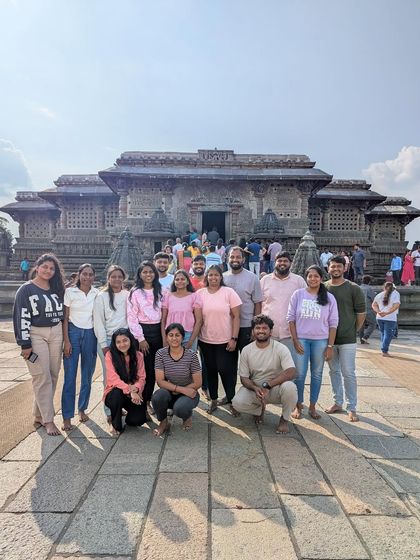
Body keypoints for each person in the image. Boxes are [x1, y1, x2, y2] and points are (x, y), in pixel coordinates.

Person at [13, 253, 65, 436]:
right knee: (41, 376)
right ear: (37, 266)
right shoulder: (26, 290)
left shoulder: (57, 288)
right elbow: (20, 316)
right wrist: (24, 343)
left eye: (52, 268)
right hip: (35, 333)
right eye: (45, 267)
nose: (48, 271)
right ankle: (48, 420)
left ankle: (38, 415)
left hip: (56, 331)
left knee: (52, 375)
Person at [287, 265, 338, 420]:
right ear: (306, 278)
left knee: (317, 374)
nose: (313, 279)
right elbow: (290, 318)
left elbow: (333, 323)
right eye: (310, 276)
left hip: (320, 341)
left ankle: (313, 406)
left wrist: (330, 346)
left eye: (316, 276)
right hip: (301, 339)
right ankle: (298, 405)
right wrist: (295, 340)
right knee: (300, 374)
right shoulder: (298, 294)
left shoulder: (329, 298)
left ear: (321, 278)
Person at [231, 315, 297, 434]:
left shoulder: (280, 348)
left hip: (276, 388)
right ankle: (258, 409)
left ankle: (284, 419)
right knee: (237, 403)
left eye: (264, 328)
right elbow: (244, 378)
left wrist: (268, 386)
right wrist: (255, 388)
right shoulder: (247, 350)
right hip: (256, 390)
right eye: (258, 328)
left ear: (271, 331)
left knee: (290, 387)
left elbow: (291, 372)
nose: (261, 331)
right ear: (253, 331)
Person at [325, 255, 366, 422]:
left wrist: (352, 330)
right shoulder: (323, 287)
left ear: (345, 268)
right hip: (328, 340)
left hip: (348, 339)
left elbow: (361, 314)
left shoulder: (353, 288)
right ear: (328, 268)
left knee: (348, 372)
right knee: (333, 371)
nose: (335, 269)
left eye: (339, 267)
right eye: (333, 266)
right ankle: (337, 402)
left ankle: (352, 407)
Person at [198, 265, 241, 414]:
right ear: (206, 277)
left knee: (226, 371)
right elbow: (197, 318)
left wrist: (234, 338)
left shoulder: (229, 292)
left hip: (225, 340)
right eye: (210, 275)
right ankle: (213, 400)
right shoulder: (201, 293)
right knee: (210, 371)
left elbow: (236, 317)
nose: (213, 278)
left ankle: (232, 400)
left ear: (221, 277)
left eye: (216, 275)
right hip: (205, 340)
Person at [62, 263, 98, 431]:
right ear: (79, 274)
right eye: (84, 274)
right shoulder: (70, 292)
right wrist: (66, 341)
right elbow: (65, 317)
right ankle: (67, 416)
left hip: (91, 334)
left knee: (87, 375)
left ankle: (82, 408)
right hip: (73, 332)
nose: (87, 277)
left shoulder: (97, 293)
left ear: (94, 277)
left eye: (90, 274)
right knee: (69, 376)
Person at [127, 261, 163, 416]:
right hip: (142, 333)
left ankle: (149, 399)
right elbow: (132, 317)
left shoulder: (161, 290)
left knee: (156, 369)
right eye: (145, 272)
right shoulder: (135, 293)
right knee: (144, 369)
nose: (148, 275)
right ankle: (142, 401)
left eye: (151, 272)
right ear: (140, 275)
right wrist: (140, 338)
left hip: (159, 331)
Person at [152, 323, 202, 436]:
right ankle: (163, 422)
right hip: (170, 391)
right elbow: (160, 381)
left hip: (189, 392)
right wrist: (178, 389)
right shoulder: (160, 354)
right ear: (166, 337)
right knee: (157, 397)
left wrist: (181, 390)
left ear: (182, 337)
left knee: (180, 408)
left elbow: (198, 382)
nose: (174, 338)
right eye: (171, 335)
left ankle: (186, 416)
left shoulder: (191, 355)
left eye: (177, 335)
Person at [93, 265, 129, 421]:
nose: (117, 279)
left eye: (119, 276)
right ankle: (109, 411)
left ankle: (120, 406)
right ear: (108, 278)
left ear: (123, 278)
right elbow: (98, 322)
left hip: (125, 340)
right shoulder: (101, 297)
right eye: (113, 276)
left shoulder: (128, 295)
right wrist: (103, 344)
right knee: (109, 376)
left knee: (125, 374)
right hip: (107, 340)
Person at [260, 251, 307, 356]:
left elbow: (305, 304)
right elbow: (259, 304)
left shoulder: (299, 281)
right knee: (269, 367)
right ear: (275, 262)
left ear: (290, 263)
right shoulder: (265, 280)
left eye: (285, 261)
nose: (282, 263)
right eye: (279, 260)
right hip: (269, 332)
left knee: (289, 367)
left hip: (290, 334)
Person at [103, 328, 147, 435]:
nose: (122, 344)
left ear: (131, 340)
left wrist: (136, 389)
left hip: (133, 393)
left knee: (138, 420)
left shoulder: (138, 355)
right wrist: (130, 390)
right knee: (117, 394)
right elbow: (113, 379)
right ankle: (115, 424)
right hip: (115, 393)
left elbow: (142, 378)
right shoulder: (110, 355)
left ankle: (129, 414)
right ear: (114, 343)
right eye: (118, 342)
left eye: (125, 340)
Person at [223, 246, 263, 353]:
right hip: (227, 326)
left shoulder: (252, 278)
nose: (235, 260)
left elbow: (258, 303)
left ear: (243, 259)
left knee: (249, 362)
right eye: (232, 257)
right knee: (229, 364)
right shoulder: (222, 278)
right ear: (228, 259)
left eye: (238, 257)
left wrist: (255, 327)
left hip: (247, 325)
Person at [161, 269, 203, 352]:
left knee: (188, 363)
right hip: (171, 335)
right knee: (172, 363)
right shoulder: (168, 296)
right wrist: (164, 339)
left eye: (183, 279)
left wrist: (191, 341)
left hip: (188, 335)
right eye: (177, 279)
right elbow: (163, 320)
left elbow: (199, 320)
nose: (180, 281)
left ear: (188, 281)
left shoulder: (194, 296)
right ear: (174, 282)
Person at [372, 282, 401, 357]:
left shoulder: (380, 294)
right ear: (394, 288)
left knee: (383, 333)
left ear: (384, 287)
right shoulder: (395, 293)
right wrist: (387, 313)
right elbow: (396, 305)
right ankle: (384, 351)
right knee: (388, 335)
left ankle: (383, 349)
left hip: (379, 317)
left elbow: (374, 305)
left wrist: (379, 312)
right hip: (390, 318)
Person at [358, 275, 376, 344]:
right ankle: (365, 337)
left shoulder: (358, 288)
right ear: (369, 282)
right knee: (373, 323)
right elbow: (374, 299)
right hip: (368, 309)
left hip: (359, 310)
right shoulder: (369, 289)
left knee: (361, 325)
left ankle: (362, 340)